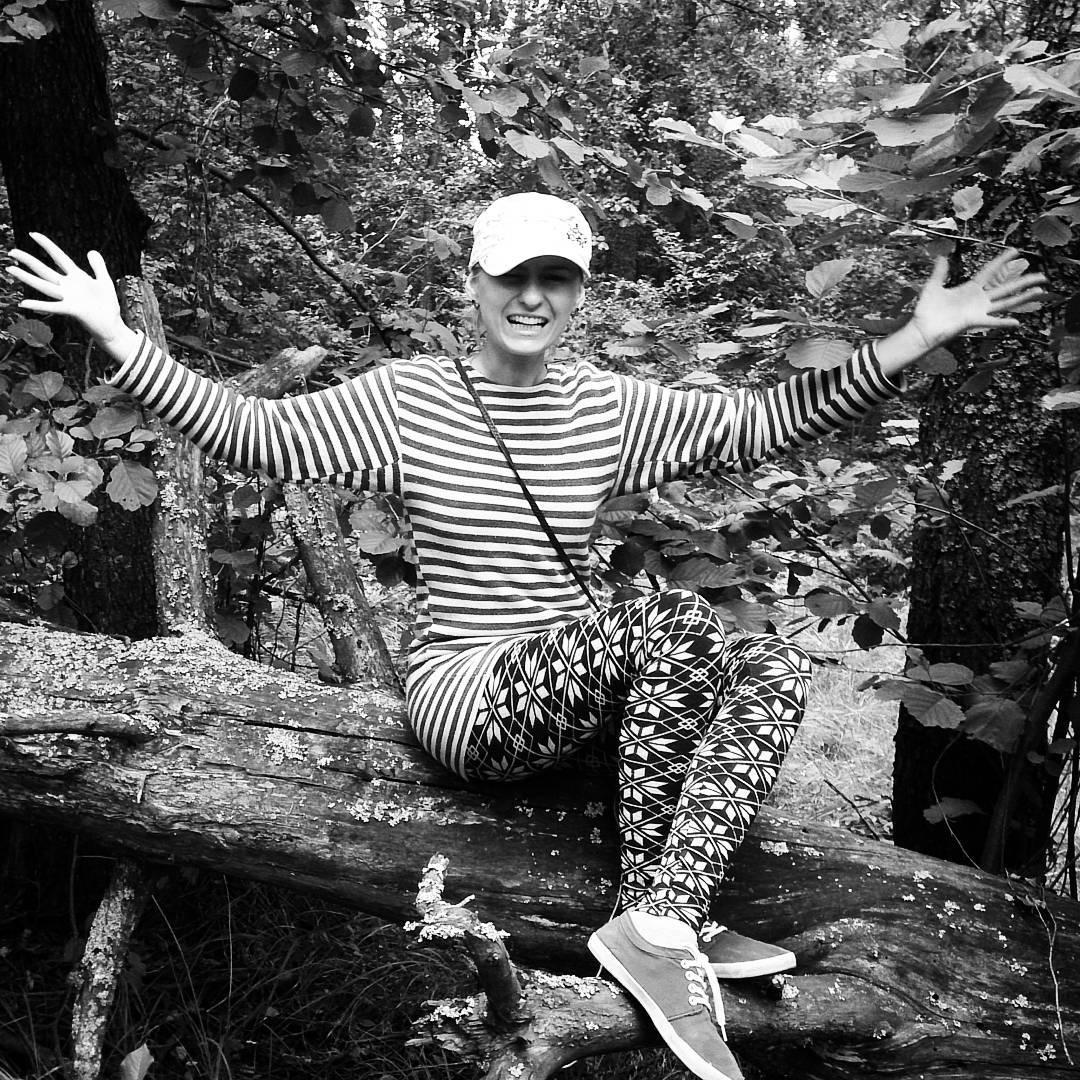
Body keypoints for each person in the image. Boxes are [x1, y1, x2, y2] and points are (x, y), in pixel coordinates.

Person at [7, 195, 1046, 1080]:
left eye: (557, 278)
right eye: (513, 275)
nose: (534, 297)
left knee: (768, 662)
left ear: (582, 293)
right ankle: (662, 928)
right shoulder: (411, 399)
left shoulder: (606, 407)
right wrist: (119, 338)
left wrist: (912, 338)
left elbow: (757, 423)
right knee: (672, 620)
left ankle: (660, 914)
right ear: (474, 282)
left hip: (573, 689)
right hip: (466, 695)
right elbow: (255, 434)